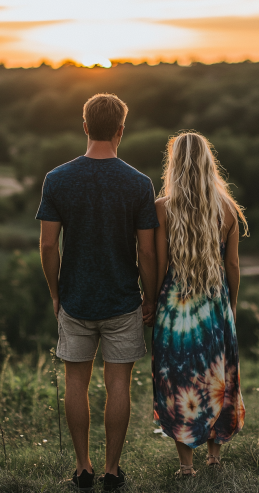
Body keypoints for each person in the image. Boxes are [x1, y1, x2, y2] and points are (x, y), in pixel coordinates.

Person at [36, 93, 159, 492]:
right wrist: (150, 296)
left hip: (75, 299)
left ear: (85, 125)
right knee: (118, 384)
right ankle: (111, 470)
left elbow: (48, 246)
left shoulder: (57, 179)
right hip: (123, 301)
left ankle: (82, 467)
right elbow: (146, 250)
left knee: (77, 383)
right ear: (121, 129)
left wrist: (56, 293)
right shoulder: (139, 183)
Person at [152, 132, 248, 477]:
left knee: (180, 382)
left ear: (174, 163)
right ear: (209, 162)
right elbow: (233, 266)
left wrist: (151, 304)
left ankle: (185, 465)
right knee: (216, 378)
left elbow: (161, 265)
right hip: (215, 306)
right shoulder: (227, 209)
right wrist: (231, 306)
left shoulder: (163, 208)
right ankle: (214, 457)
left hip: (176, 307)